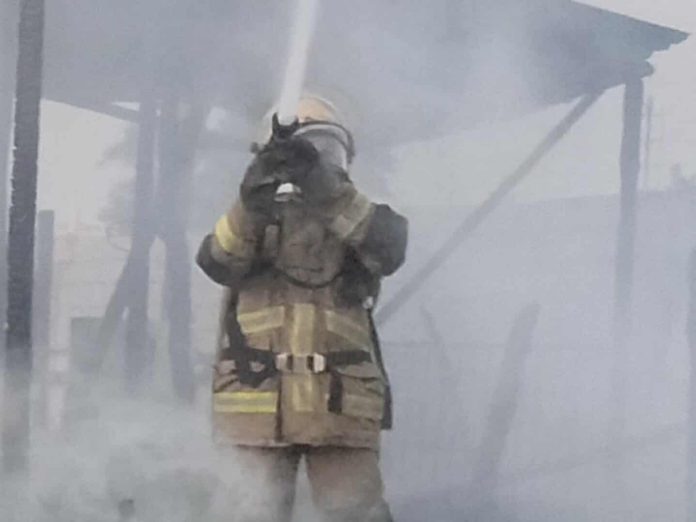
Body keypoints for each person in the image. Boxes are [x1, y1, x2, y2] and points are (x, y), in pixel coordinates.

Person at [196, 96, 408, 522]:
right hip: (258, 407)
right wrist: (251, 201)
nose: (313, 161)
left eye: (324, 150)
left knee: (357, 514)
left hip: (338, 409)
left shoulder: (355, 216)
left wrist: (327, 192)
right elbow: (217, 260)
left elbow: (388, 247)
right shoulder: (250, 220)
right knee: (248, 513)